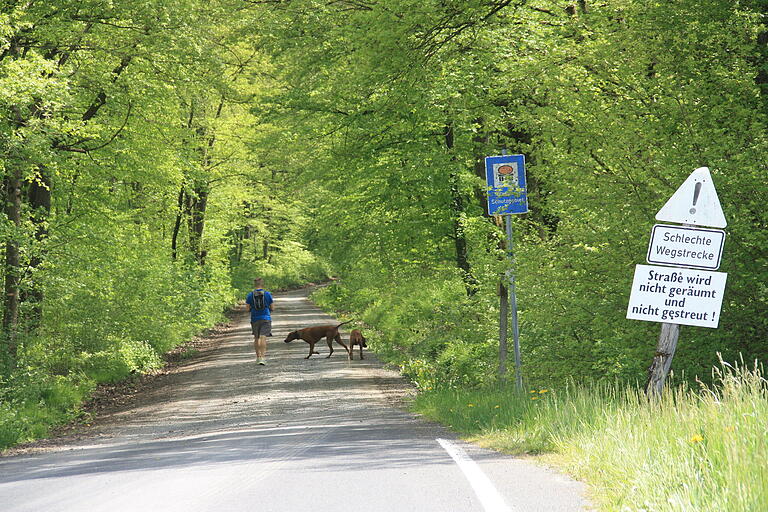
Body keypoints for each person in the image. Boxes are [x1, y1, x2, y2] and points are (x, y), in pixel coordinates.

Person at [246, 278, 274, 365]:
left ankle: (258, 357)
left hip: (254, 318)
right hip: (266, 318)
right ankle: (263, 357)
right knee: (263, 337)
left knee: (256, 338)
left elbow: (247, 309)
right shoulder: (267, 294)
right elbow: (272, 307)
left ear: (255, 285)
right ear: (262, 284)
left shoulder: (250, 295)